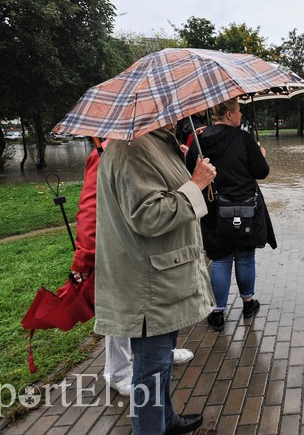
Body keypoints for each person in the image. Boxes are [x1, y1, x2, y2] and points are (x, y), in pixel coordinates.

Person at [94, 124, 217, 435]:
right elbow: (150, 215)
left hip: (161, 278)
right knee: (150, 369)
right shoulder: (133, 149)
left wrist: (182, 164)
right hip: (148, 283)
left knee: (160, 363)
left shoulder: (154, 142)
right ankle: (150, 428)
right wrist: (195, 184)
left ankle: (166, 420)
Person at [186, 99, 277, 331]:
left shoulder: (200, 140)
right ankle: (248, 304)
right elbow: (262, 172)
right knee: (245, 256)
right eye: (238, 110)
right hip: (246, 209)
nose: (241, 114)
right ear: (228, 114)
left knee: (221, 259)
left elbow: (190, 172)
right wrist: (260, 155)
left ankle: (218, 313)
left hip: (214, 210)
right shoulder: (244, 139)